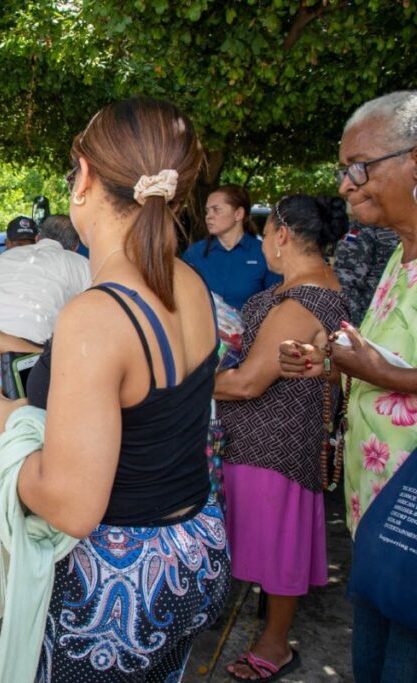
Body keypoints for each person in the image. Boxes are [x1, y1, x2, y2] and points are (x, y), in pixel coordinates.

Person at [0, 98, 230, 681]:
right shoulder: (188, 284)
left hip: (120, 586)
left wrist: (8, 432)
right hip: (192, 548)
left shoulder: (96, 314)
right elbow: (124, 385)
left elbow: (71, 505)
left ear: (86, 178)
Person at [279, 91, 417, 682]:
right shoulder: (399, 255)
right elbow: (386, 357)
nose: (345, 185)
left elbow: (390, 371)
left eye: (359, 167)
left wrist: (382, 375)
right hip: (377, 519)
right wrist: (333, 365)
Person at [213, 195, 349, 680]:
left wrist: (180, 384)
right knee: (272, 540)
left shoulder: (303, 301)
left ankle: (275, 644)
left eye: (267, 232)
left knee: (277, 544)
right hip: (272, 437)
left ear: (283, 235)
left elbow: (250, 382)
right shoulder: (312, 288)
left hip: (274, 442)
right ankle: (269, 635)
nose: (265, 241)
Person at [0, 214, 91, 538]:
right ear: (75, 245)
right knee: (26, 451)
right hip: (27, 363)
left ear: (39, 237)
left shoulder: (4, 259)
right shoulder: (79, 265)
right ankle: (21, 540)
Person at [182, 184, 281, 309]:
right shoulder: (194, 254)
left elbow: (276, 303)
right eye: (207, 211)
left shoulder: (263, 252)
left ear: (238, 214)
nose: (208, 216)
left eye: (216, 210)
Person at [333, 223, 400, 325]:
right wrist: (353, 324)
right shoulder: (359, 230)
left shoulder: (406, 227)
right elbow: (346, 282)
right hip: (370, 318)